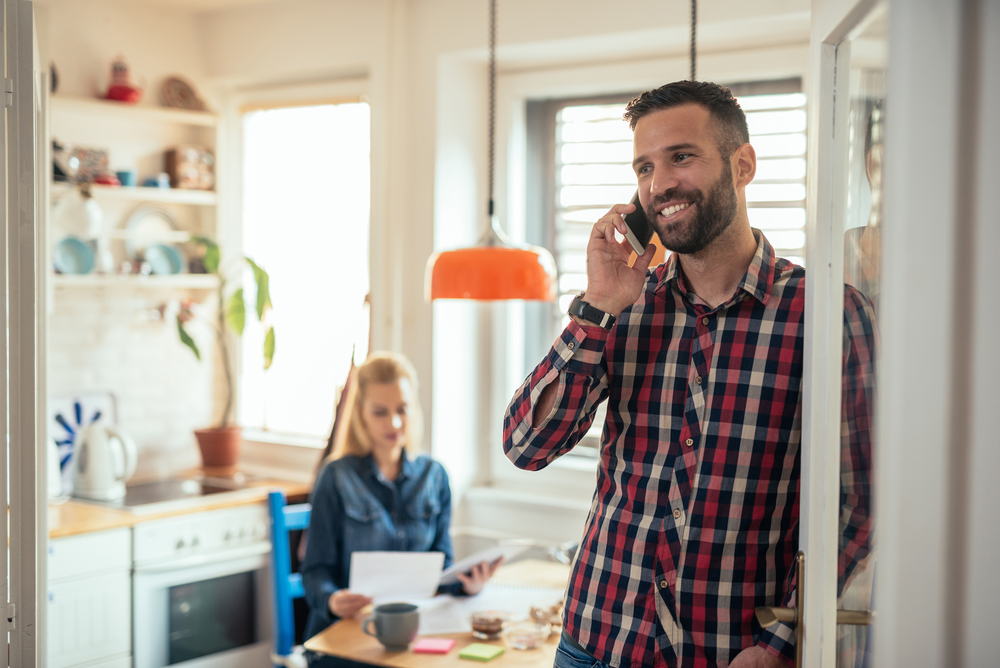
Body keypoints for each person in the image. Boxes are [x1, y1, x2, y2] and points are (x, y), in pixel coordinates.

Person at [503, 81, 874, 668]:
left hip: (732, 655)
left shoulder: (828, 312)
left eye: (681, 156)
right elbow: (526, 446)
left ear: (742, 164)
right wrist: (597, 308)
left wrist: (785, 641)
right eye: (644, 167)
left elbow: (861, 504)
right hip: (596, 644)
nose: (659, 186)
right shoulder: (622, 306)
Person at [303, 351, 502, 666]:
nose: (394, 423)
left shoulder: (434, 475)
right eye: (380, 412)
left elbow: (441, 567)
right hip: (346, 639)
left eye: (402, 410)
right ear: (361, 414)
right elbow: (315, 572)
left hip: (413, 637)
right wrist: (332, 599)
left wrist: (469, 586)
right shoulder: (336, 477)